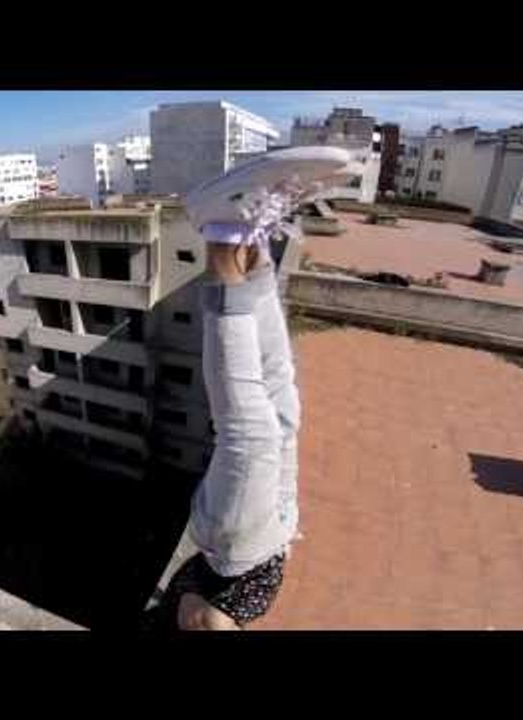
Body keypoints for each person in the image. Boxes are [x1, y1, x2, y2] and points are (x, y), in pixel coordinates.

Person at [153, 147, 358, 631]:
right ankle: (254, 243)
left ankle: (222, 236)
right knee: (283, 402)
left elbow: (198, 620)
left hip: (234, 549)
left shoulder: (206, 621)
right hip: (276, 526)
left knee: (250, 434)